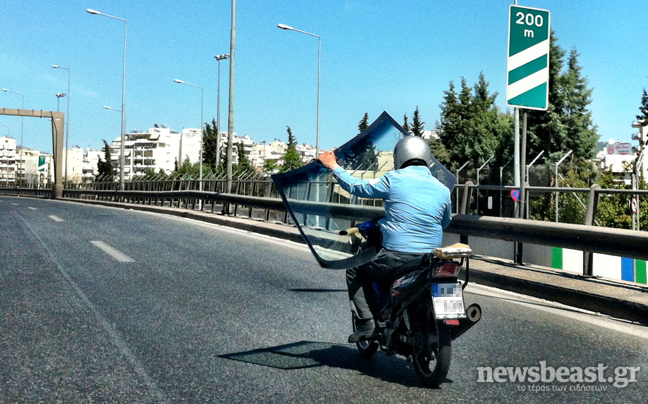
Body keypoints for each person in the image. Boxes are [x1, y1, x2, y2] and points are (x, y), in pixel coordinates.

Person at [317, 136, 452, 343]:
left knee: (354, 269)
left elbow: (357, 187)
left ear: (399, 157)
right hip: (430, 257)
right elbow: (444, 223)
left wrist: (334, 166)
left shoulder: (393, 179)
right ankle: (446, 321)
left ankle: (367, 323)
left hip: (398, 256)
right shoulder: (442, 189)